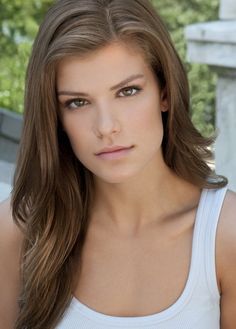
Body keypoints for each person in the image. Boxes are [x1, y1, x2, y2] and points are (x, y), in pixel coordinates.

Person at [0, 0, 236, 328]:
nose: (106, 127)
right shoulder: (19, 230)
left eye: (127, 91)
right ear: (55, 117)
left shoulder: (226, 235)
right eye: (78, 102)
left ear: (164, 93)